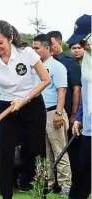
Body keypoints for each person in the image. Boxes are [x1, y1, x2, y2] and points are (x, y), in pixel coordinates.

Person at [0, 20, 50, 199]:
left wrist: (25, 99)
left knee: (36, 153)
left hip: (32, 106)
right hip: (7, 108)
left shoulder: (26, 53)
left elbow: (46, 80)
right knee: (6, 155)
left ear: (10, 39)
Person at [53, 14, 91, 199]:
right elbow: (87, 92)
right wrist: (79, 117)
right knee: (84, 167)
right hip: (89, 124)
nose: (82, 45)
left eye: (85, 40)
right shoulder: (86, 61)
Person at [32, 34, 71, 196]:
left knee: (59, 149)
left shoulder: (57, 66)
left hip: (54, 111)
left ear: (47, 48)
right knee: (45, 151)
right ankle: (49, 183)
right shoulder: (35, 66)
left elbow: (62, 90)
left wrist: (59, 113)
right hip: (39, 113)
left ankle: (65, 184)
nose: (34, 51)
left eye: (37, 48)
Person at [47, 31, 82, 176]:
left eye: (52, 44)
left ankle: (69, 181)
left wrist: (74, 114)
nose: (50, 47)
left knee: (67, 148)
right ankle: (52, 182)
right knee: (51, 150)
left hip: (65, 112)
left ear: (59, 42)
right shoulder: (46, 63)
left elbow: (76, 89)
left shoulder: (69, 62)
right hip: (50, 111)